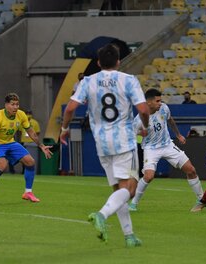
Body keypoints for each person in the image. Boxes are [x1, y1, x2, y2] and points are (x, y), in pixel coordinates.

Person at [60, 44, 150, 248]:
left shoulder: (88, 81)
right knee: (130, 189)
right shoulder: (128, 80)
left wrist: (64, 129)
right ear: (119, 61)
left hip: (101, 142)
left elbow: (71, 108)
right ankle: (101, 214)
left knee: (118, 190)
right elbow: (143, 109)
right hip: (124, 141)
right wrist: (144, 126)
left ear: (98, 62)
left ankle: (129, 236)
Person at [128, 89, 206, 211]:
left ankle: (202, 200)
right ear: (148, 103)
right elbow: (131, 136)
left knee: (191, 170)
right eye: (157, 101)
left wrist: (178, 135)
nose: (160, 103)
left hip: (167, 145)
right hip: (151, 148)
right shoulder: (139, 120)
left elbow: (170, 120)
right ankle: (133, 204)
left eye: (160, 100)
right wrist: (139, 135)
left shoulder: (164, 108)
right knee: (149, 177)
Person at [0, 93, 53, 204]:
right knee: (2, 165)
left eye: (17, 104)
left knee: (30, 162)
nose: (15, 107)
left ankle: (28, 192)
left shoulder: (21, 115)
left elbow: (30, 131)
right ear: (6, 105)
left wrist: (41, 146)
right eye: (12, 104)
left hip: (11, 142)